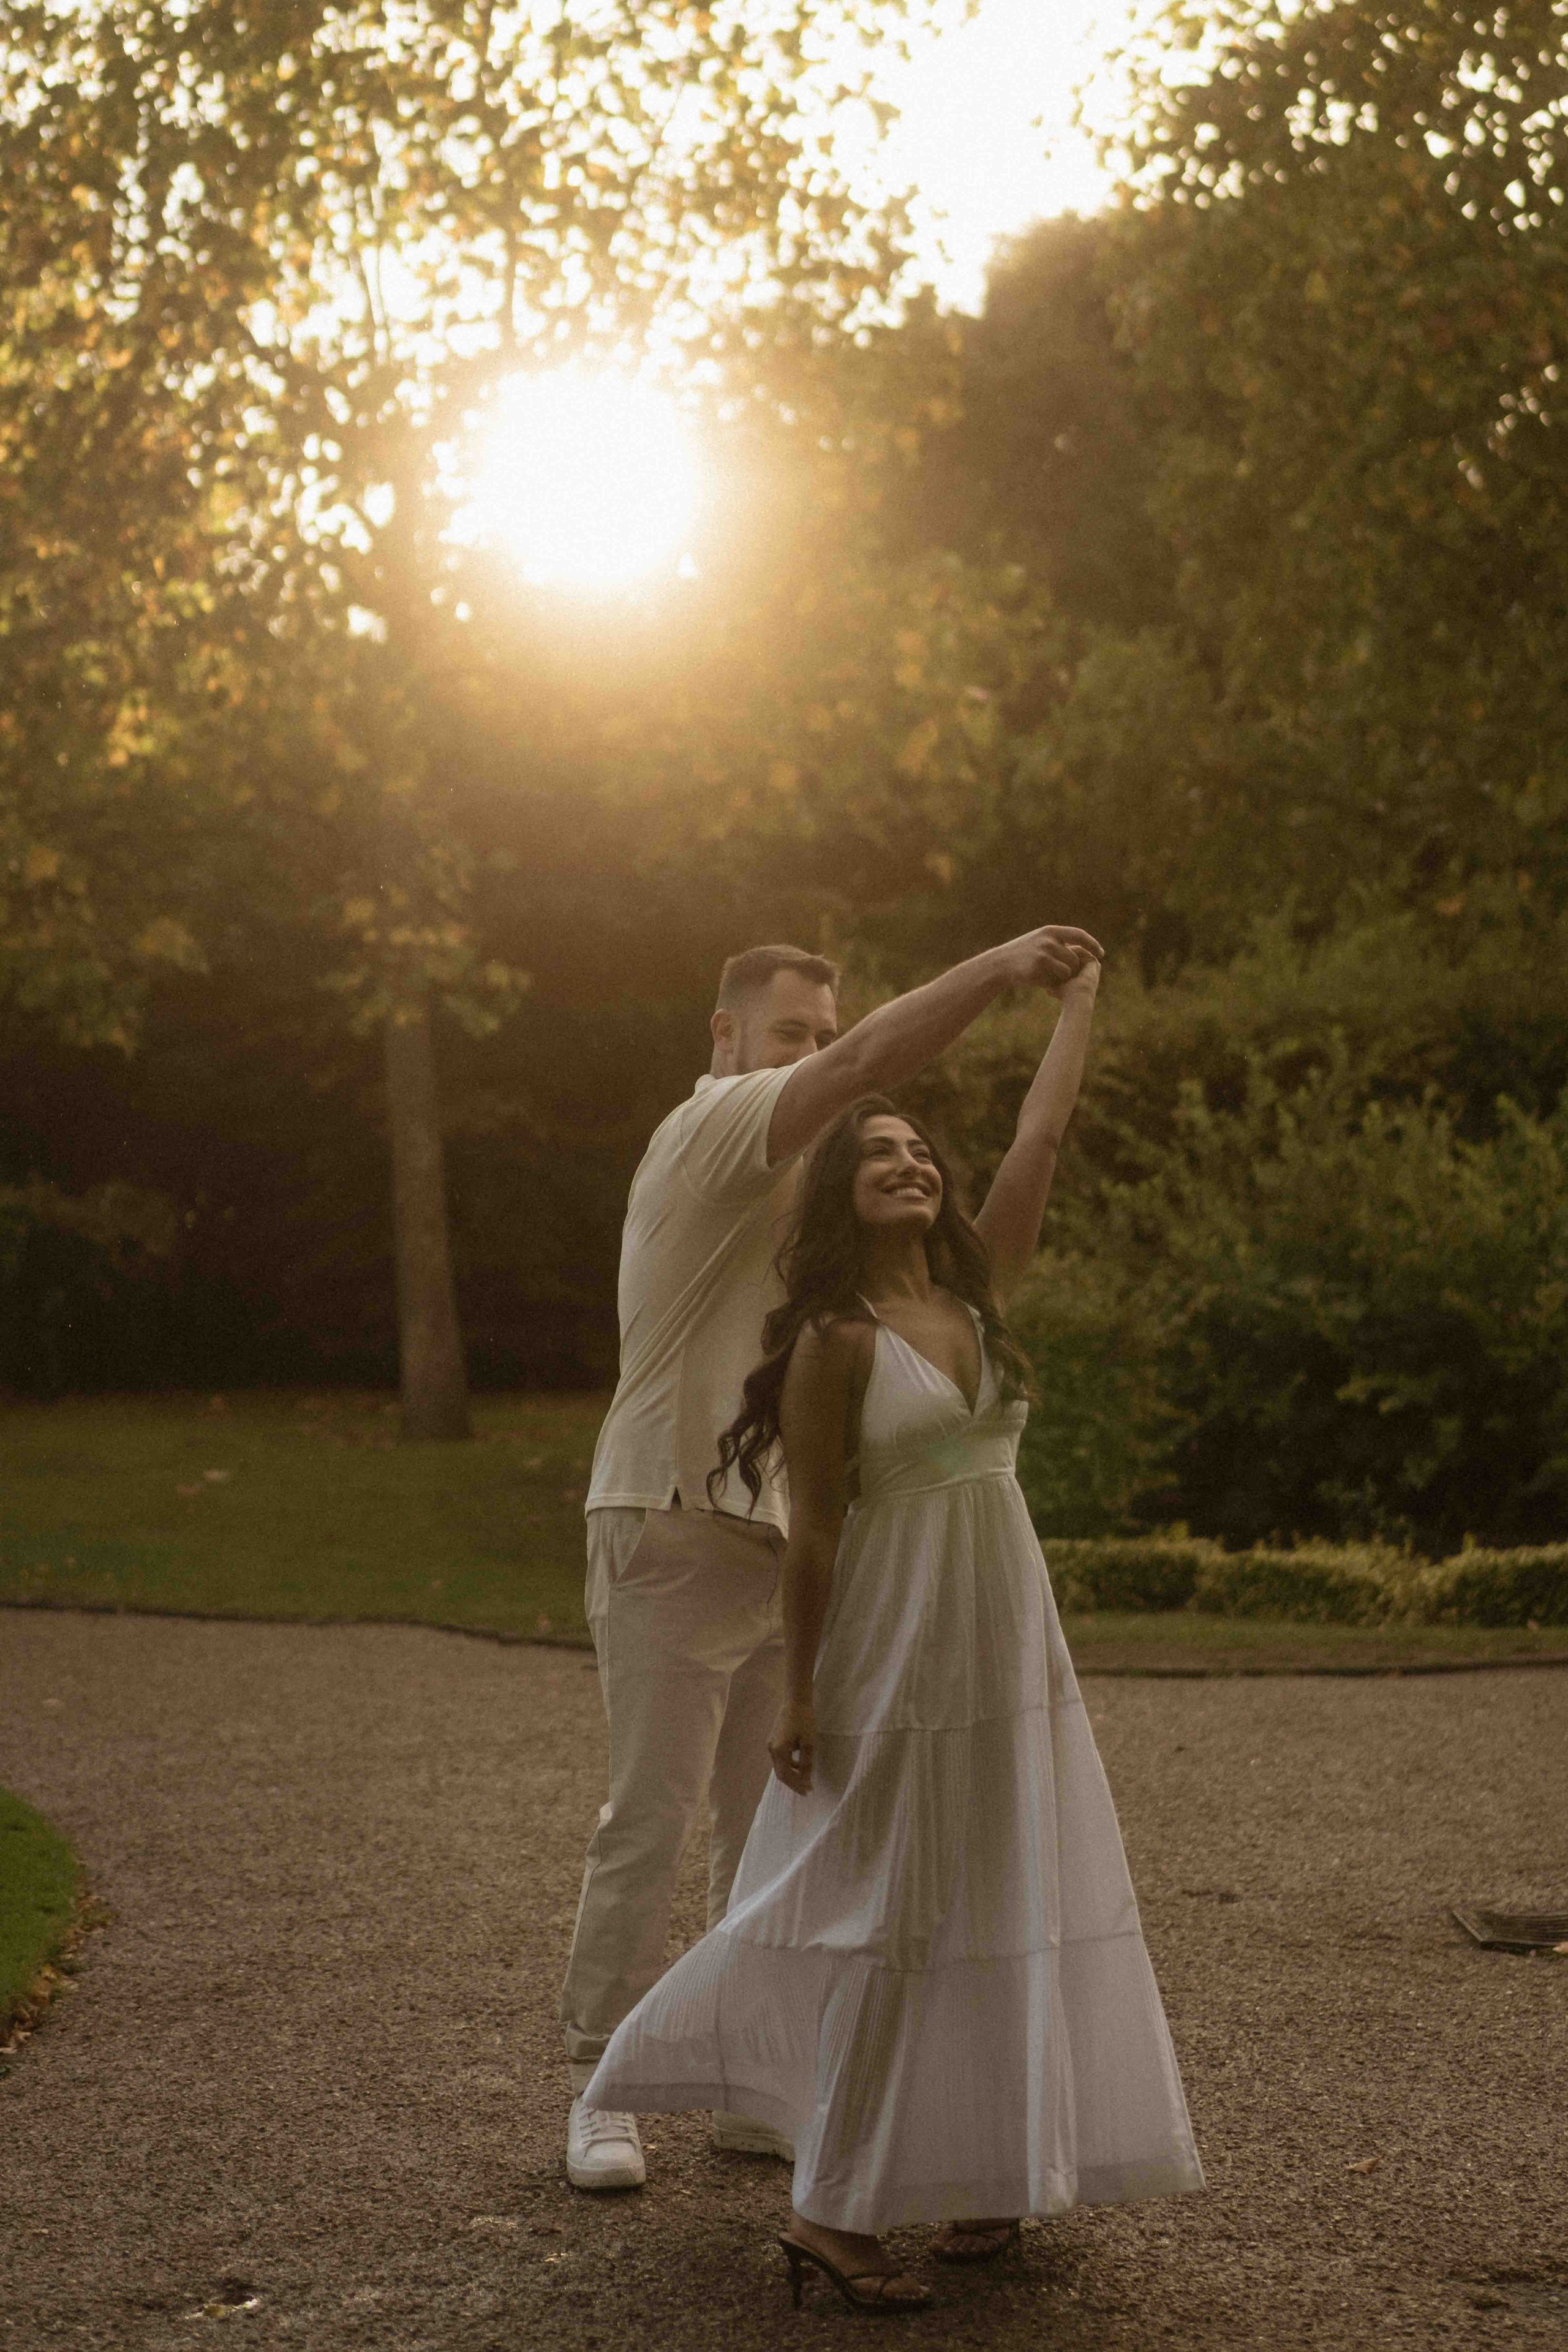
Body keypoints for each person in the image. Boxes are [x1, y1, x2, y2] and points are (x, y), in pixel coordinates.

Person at [583, 948, 1204, 2307]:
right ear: (839, 1193)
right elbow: (813, 1531)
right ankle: (818, 2199)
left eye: (920, 1151)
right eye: (879, 1156)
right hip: (893, 1635)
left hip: (1005, 1642)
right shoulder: (834, 1337)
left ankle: (985, 2167)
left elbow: (1039, 1135)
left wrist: (1083, 1000)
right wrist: (802, 1695)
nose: (908, 1163)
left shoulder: (978, 1299)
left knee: (1004, 1887)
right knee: (879, 1903)